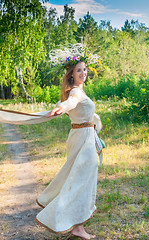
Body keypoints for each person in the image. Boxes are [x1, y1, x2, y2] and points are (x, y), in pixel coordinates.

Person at [35, 60, 102, 240]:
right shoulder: (75, 92)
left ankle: (77, 225)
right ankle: (74, 224)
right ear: (71, 74)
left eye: (85, 69)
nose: (83, 73)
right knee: (81, 179)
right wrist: (61, 108)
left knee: (79, 177)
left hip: (83, 136)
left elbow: (71, 104)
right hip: (81, 138)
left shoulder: (79, 91)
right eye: (79, 70)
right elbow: (70, 103)